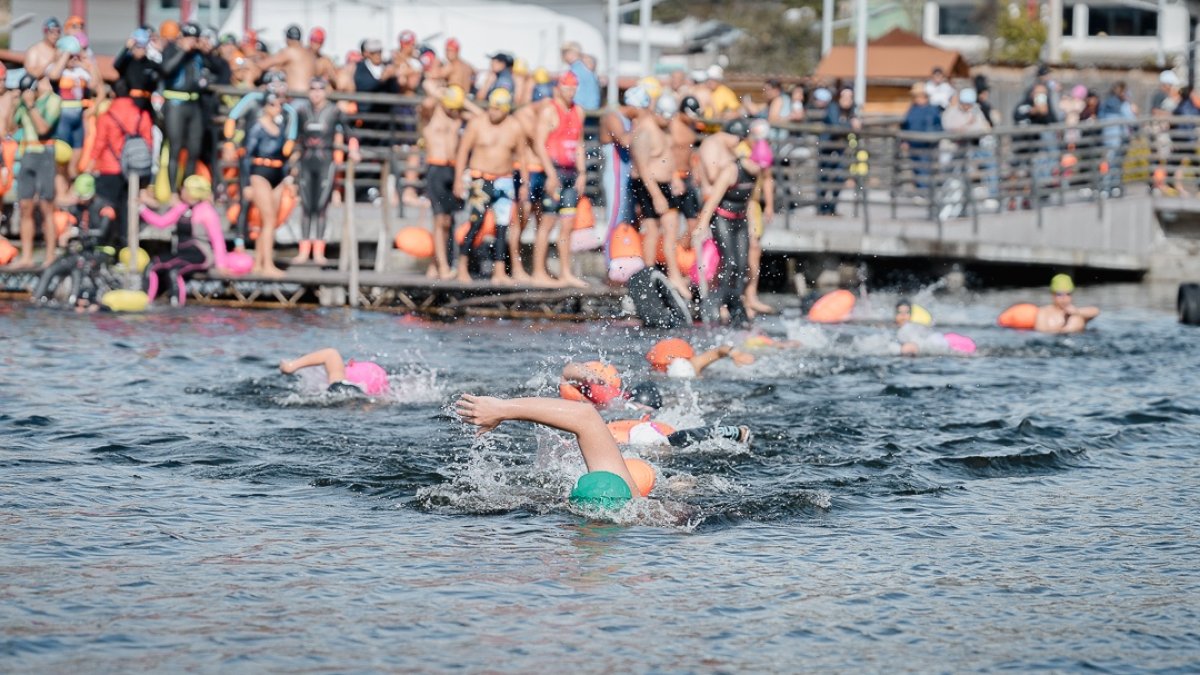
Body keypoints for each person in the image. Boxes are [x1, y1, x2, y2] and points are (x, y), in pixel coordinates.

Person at [455, 394, 642, 498]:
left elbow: (585, 417)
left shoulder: (633, 502)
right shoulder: (641, 509)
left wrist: (504, 409)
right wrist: (503, 410)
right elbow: (585, 417)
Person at [453, 88, 527, 284]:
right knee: (475, 222)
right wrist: (458, 179)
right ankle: (462, 267)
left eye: (497, 109)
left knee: (502, 227)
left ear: (506, 109)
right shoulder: (477, 124)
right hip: (480, 179)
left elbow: (521, 157)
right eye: (491, 108)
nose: (492, 112)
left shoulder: (514, 126)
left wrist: (524, 183)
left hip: (504, 179)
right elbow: (463, 151)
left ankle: (500, 272)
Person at [693, 119, 762, 327]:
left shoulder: (755, 173)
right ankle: (716, 303)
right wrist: (702, 224)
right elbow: (713, 199)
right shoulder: (732, 170)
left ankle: (735, 305)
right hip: (722, 217)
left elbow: (749, 201)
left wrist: (751, 224)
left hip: (740, 220)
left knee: (742, 266)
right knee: (729, 262)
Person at [138, 175, 234, 305]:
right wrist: (142, 209)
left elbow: (217, 239)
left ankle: (176, 307)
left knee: (174, 272)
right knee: (152, 266)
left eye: (185, 189)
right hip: (182, 253)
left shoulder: (207, 211)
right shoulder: (181, 207)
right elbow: (161, 222)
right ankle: (145, 302)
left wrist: (221, 265)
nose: (181, 190)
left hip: (201, 254)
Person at [292, 77, 358, 266]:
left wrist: (353, 150)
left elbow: (350, 133)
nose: (316, 93)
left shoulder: (335, 110)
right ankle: (304, 250)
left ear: (326, 91)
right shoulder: (302, 111)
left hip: (325, 162)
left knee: (321, 206)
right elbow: (295, 137)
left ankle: (319, 251)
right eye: (312, 89)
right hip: (306, 161)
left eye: (320, 89)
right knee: (306, 206)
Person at [629, 87, 687, 297]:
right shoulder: (644, 132)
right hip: (651, 187)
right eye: (668, 116)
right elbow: (643, 169)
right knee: (654, 230)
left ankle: (669, 274)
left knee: (668, 230)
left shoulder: (660, 129)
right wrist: (657, 195)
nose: (670, 121)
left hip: (663, 185)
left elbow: (664, 157)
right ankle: (652, 273)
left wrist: (674, 177)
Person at [531, 72, 587, 287]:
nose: (570, 92)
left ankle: (565, 273)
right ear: (559, 88)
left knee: (567, 225)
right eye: (567, 88)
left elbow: (579, 144)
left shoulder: (578, 111)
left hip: (571, 173)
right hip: (554, 172)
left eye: (574, 88)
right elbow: (539, 145)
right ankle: (538, 271)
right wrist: (550, 174)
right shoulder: (549, 111)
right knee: (547, 223)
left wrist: (582, 173)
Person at [85, 79, 155, 245]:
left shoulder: (106, 117)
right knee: (127, 208)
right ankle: (126, 243)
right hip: (135, 170)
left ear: (113, 94)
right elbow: (148, 142)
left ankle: (105, 244)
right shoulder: (142, 114)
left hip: (110, 167)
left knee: (106, 206)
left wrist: (90, 163)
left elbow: (100, 143)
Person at [421, 83, 479, 277]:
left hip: (453, 169)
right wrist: (441, 93)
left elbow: (481, 117)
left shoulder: (457, 116)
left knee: (449, 221)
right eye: (450, 106)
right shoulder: (432, 114)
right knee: (439, 220)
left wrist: (464, 102)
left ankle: (435, 264)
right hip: (435, 167)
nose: (452, 110)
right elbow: (426, 103)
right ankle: (443, 267)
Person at [9, 75, 62, 269]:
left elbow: (43, 129)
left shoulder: (53, 101)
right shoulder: (26, 101)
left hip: (44, 153)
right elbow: (11, 128)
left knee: (46, 206)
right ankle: (27, 256)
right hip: (27, 153)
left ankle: (50, 256)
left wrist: (31, 106)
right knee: (25, 206)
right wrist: (15, 104)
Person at [244, 94, 293, 277]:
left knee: (268, 222)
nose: (277, 108)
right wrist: (246, 183)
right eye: (272, 104)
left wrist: (287, 178)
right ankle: (268, 265)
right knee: (269, 220)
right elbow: (246, 156)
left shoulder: (280, 127)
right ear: (265, 106)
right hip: (260, 173)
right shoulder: (257, 127)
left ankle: (259, 262)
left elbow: (284, 156)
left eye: (279, 105)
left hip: (277, 174)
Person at [160, 23, 211, 192]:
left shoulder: (198, 55)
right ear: (181, 38)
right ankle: (173, 191)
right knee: (175, 147)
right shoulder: (172, 50)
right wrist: (183, 51)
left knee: (194, 149)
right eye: (189, 38)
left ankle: (188, 190)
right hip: (175, 103)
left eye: (194, 39)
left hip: (194, 104)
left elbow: (216, 68)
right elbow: (166, 70)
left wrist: (206, 50)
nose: (192, 42)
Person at [598, 93, 636, 270]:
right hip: (615, 172)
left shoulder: (629, 119)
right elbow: (625, 140)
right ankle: (609, 263)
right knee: (615, 216)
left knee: (626, 218)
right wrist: (643, 123)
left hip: (625, 172)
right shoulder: (613, 116)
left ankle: (622, 261)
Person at [818, 88, 861, 216]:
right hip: (827, 148)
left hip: (841, 150)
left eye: (849, 97)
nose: (847, 100)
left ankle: (832, 207)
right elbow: (836, 125)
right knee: (824, 177)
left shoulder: (851, 112)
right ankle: (822, 208)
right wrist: (851, 124)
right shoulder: (833, 108)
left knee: (839, 178)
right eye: (844, 97)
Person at [280, 348, 390, 397]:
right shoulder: (372, 395)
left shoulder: (340, 380)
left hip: (342, 389)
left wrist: (290, 366)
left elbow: (330, 353)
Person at [901, 82, 942, 193]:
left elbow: (938, 126)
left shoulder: (932, 110)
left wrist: (933, 138)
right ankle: (920, 190)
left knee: (925, 168)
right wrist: (904, 140)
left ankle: (925, 191)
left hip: (926, 144)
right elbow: (905, 124)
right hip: (913, 143)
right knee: (916, 168)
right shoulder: (912, 109)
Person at [645, 337, 755, 378]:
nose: (665, 368)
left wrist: (735, 353)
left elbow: (719, 351)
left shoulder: (694, 364)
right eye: (662, 367)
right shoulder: (655, 372)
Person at [256, 25, 316, 93]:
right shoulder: (309, 53)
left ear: (287, 39)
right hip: (309, 97)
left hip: (296, 96)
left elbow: (262, 65)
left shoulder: (290, 51)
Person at [113, 28, 161, 113]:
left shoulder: (150, 64)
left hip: (146, 104)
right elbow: (116, 65)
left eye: (143, 47)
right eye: (138, 47)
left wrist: (161, 50)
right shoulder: (127, 62)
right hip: (130, 104)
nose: (140, 50)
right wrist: (126, 48)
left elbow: (164, 71)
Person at [1035, 274, 1099, 334]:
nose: (1064, 298)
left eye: (1068, 294)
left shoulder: (1075, 313)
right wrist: (1064, 330)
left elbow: (1095, 311)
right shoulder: (1044, 312)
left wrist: (1077, 312)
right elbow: (1040, 331)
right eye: (1059, 294)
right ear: (1053, 295)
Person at [560, 41, 600, 110]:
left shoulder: (574, 71)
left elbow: (573, 95)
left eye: (564, 53)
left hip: (584, 110)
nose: (562, 56)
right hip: (592, 107)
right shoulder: (585, 68)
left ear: (572, 53)